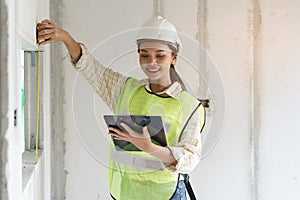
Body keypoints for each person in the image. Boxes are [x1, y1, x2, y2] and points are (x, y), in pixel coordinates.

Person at [38, 16, 205, 200]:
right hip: (125, 192)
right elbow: (91, 68)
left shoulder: (190, 106)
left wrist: (148, 146)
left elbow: (190, 159)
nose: (152, 62)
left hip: (165, 195)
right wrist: (65, 38)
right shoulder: (126, 89)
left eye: (160, 55)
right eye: (144, 54)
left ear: (173, 58)